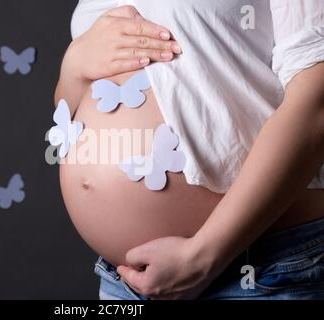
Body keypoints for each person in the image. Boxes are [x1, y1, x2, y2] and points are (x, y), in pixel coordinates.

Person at [55, 0, 324, 299]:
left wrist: (203, 257)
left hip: (259, 271)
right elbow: (71, 113)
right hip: (125, 281)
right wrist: (73, 67)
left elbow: (315, 105)